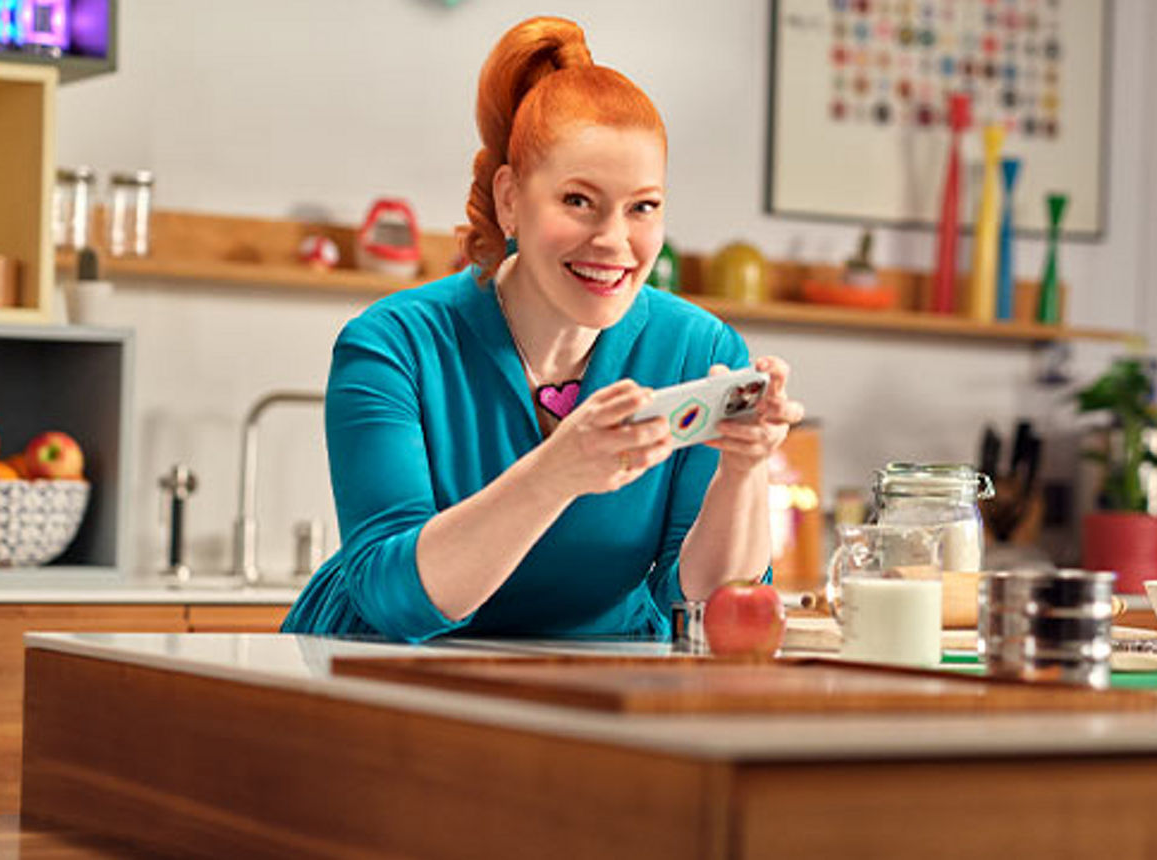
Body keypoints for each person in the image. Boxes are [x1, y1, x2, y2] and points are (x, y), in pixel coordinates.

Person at [282, 16, 804, 643]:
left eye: (643, 207)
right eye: (578, 201)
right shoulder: (394, 344)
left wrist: (742, 471)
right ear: (510, 200)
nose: (613, 241)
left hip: (595, 679)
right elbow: (396, 602)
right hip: (381, 673)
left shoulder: (701, 351)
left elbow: (707, 605)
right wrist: (555, 473)